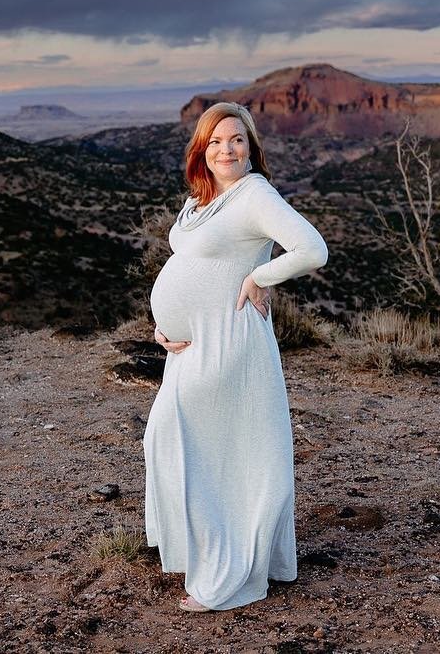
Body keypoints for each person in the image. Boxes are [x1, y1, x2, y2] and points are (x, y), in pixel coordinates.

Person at [144, 101, 329, 613]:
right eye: (216, 141)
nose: (227, 149)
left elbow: (313, 249)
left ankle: (226, 570)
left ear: (251, 147)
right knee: (182, 442)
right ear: (201, 149)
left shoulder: (254, 195)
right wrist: (165, 324)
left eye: (237, 140)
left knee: (209, 451)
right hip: (189, 344)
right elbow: (190, 264)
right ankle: (205, 548)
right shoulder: (202, 199)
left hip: (229, 341)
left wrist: (259, 277)